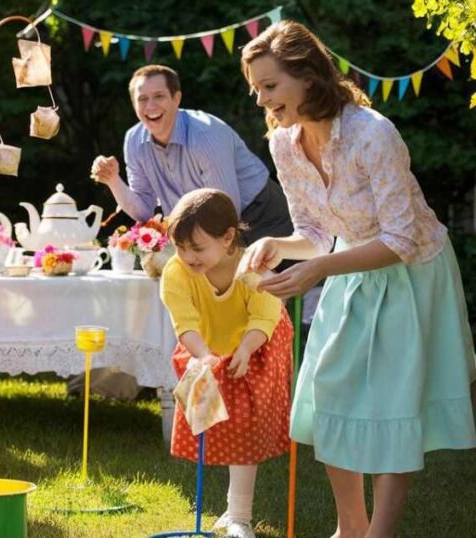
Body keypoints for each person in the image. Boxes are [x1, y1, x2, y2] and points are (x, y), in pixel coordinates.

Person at [241, 20, 476, 537]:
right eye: (256, 89)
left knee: (394, 401)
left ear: (307, 76)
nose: (262, 100)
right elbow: (314, 230)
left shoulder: (373, 134)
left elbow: (400, 240)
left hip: (412, 274)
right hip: (350, 269)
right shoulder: (284, 144)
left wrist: (319, 269)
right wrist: (276, 246)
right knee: (329, 389)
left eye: (270, 86)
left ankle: (379, 534)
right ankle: (350, 526)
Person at [159, 188, 293, 538]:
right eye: (180, 247)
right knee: (212, 424)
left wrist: (247, 350)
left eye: (197, 248)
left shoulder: (253, 268)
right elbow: (184, 322)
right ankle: (231, 507)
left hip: (257, 344)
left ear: (228, 237)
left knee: (244, 429)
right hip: (206, 346)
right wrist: (203, 356)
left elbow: (264, 317)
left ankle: (240, 516)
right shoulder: (176, 272)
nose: (187, 256)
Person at [91, 64, 293, 246]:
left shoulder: (206, 134)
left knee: (288, 286)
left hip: (262, 215)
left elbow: (226, 211)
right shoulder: (134, 140)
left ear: (176, 98)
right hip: (207, 225)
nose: (150, 106)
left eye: (159, 96)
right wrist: (113, 180)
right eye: (142, 99)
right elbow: (144, 211)